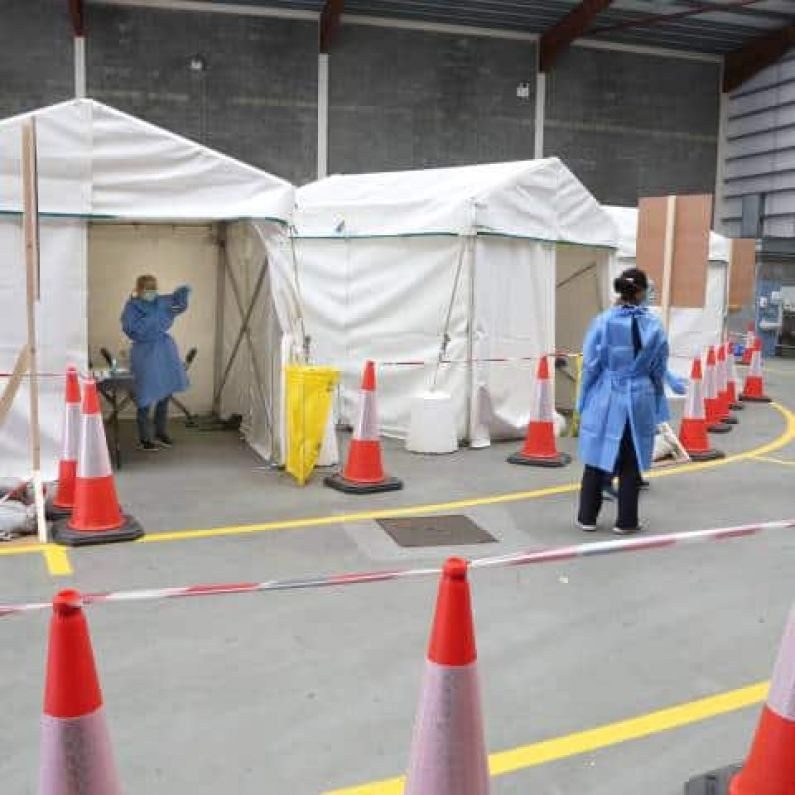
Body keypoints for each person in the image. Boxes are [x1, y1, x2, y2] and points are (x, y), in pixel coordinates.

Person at [576, 268, 670, 534]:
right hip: (638, 394)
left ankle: (587, 517)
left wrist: (584, 397)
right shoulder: (653, 325)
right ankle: (626, 520)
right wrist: (657, 394)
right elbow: (659, 366)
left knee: (596, 453)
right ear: (640, 292)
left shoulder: (602, 321)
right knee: (631, 458)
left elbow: (591, 364)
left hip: (606, 391)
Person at [121, 275, 191, 452]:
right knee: (144, 396)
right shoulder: (132, 306)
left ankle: (161, 432)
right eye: (147, 289)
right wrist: (153, 318)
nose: (151, 292)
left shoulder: (160, 301)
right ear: (139, 289)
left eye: (153, 289)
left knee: (165, 394)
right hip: (144, 352)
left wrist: (182, 295)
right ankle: (145, 438)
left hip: (164, 350)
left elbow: (178, 306)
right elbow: (131, 329)